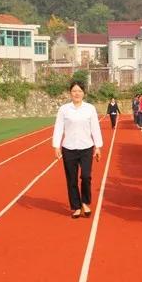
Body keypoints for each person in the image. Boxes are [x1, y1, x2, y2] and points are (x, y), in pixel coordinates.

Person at [52, 81, 104, 219]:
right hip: (68, 148)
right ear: (70, 93)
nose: (77, 93)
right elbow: (58, 127)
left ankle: (85, 202)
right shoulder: (64, 109)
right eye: (74, 91)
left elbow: (95, 128)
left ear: (84, 93)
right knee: (71, 179)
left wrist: (98, 146)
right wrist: (56, 145)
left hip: (86, 147)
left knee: (86, 176)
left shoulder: (90, 108)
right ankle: (76, 206)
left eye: (79, 91)